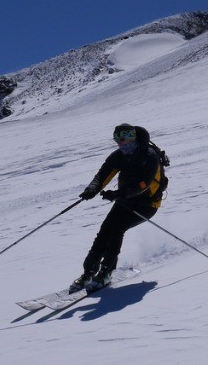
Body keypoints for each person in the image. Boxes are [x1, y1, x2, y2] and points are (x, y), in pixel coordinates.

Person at [71, 124, 167, 292]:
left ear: (133, 139)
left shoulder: (149, 156)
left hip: (147, 204)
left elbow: (143, 184)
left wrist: (118, 194)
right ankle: (88, 273)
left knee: (116, 229)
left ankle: (106, 272)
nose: (121, 145)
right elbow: (103, 175)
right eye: (118, 142)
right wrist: (92, 190)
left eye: (124, 141)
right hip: (125, 200)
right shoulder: (120, 156)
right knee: (104, 231)